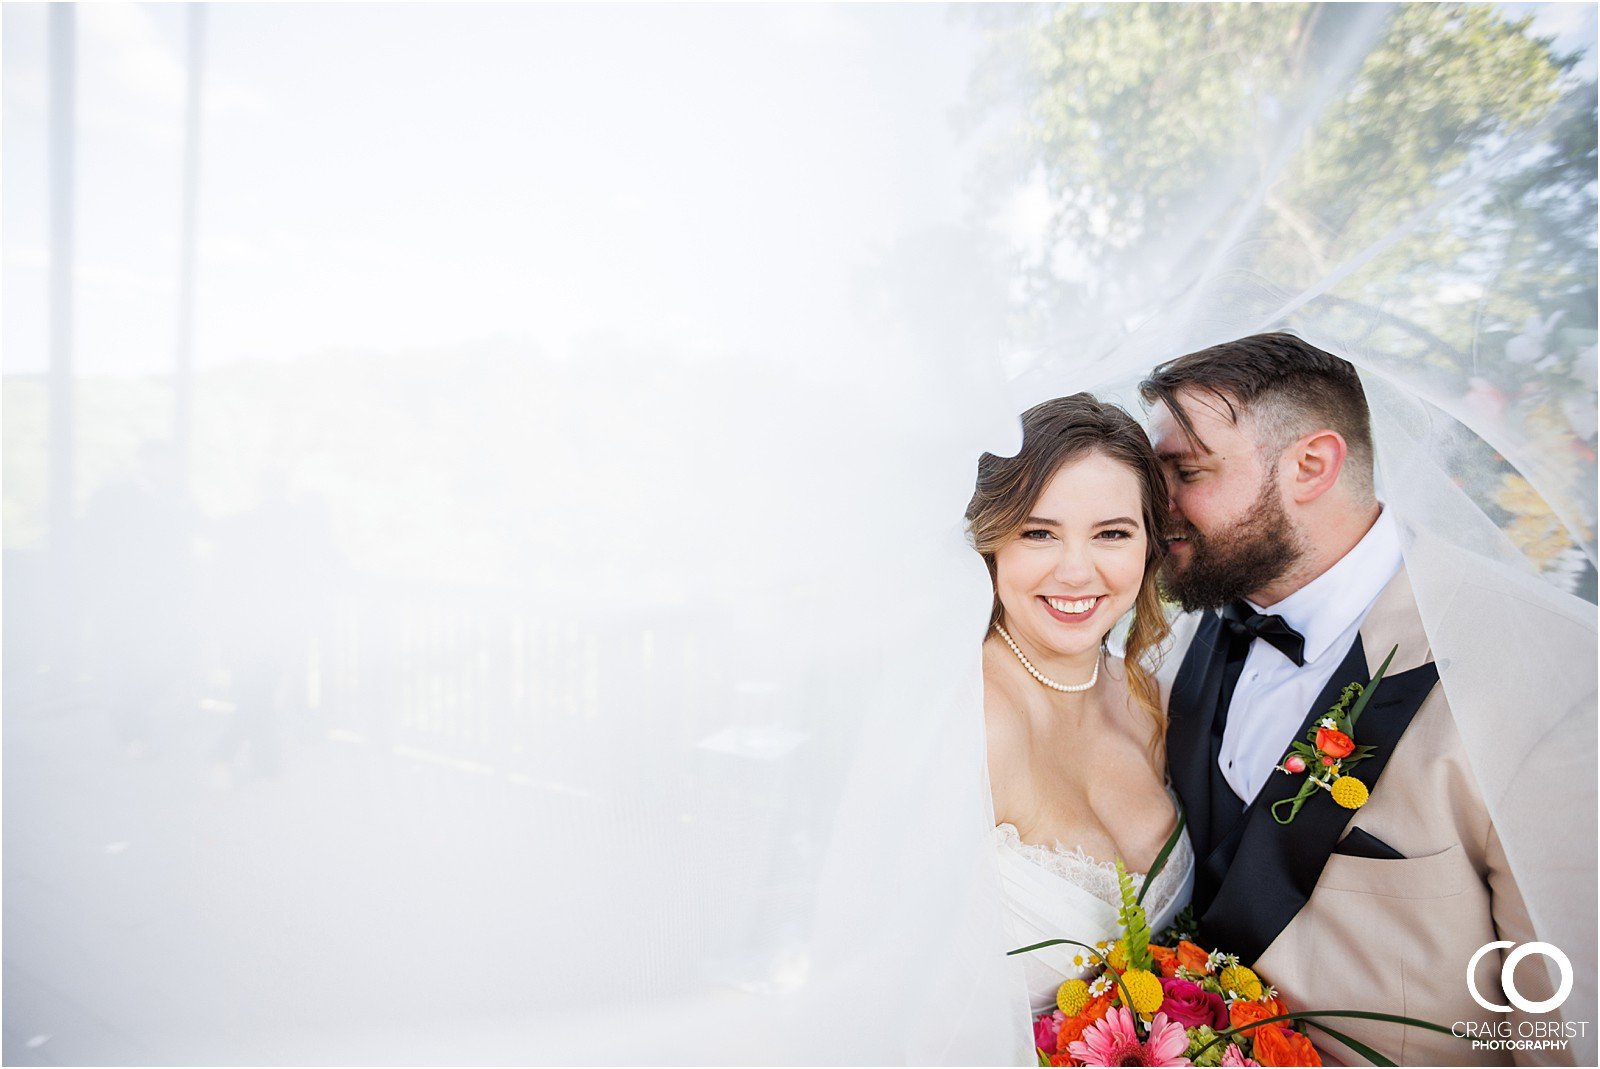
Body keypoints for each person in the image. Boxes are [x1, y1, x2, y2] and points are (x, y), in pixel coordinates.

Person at [1141, 332, 1563, 1067]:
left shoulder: (1537, 672)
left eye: (1186, 471)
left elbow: (1566, 1020)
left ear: (1312, 464)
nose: (1157, 507)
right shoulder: (1169, 645)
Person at [967, 392, 1194, 1017]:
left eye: (1111, 534)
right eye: (1039, 533)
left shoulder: (1146, 700)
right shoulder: (965, 725)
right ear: (993, 544)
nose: (1076, 571)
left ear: (1149, 544)